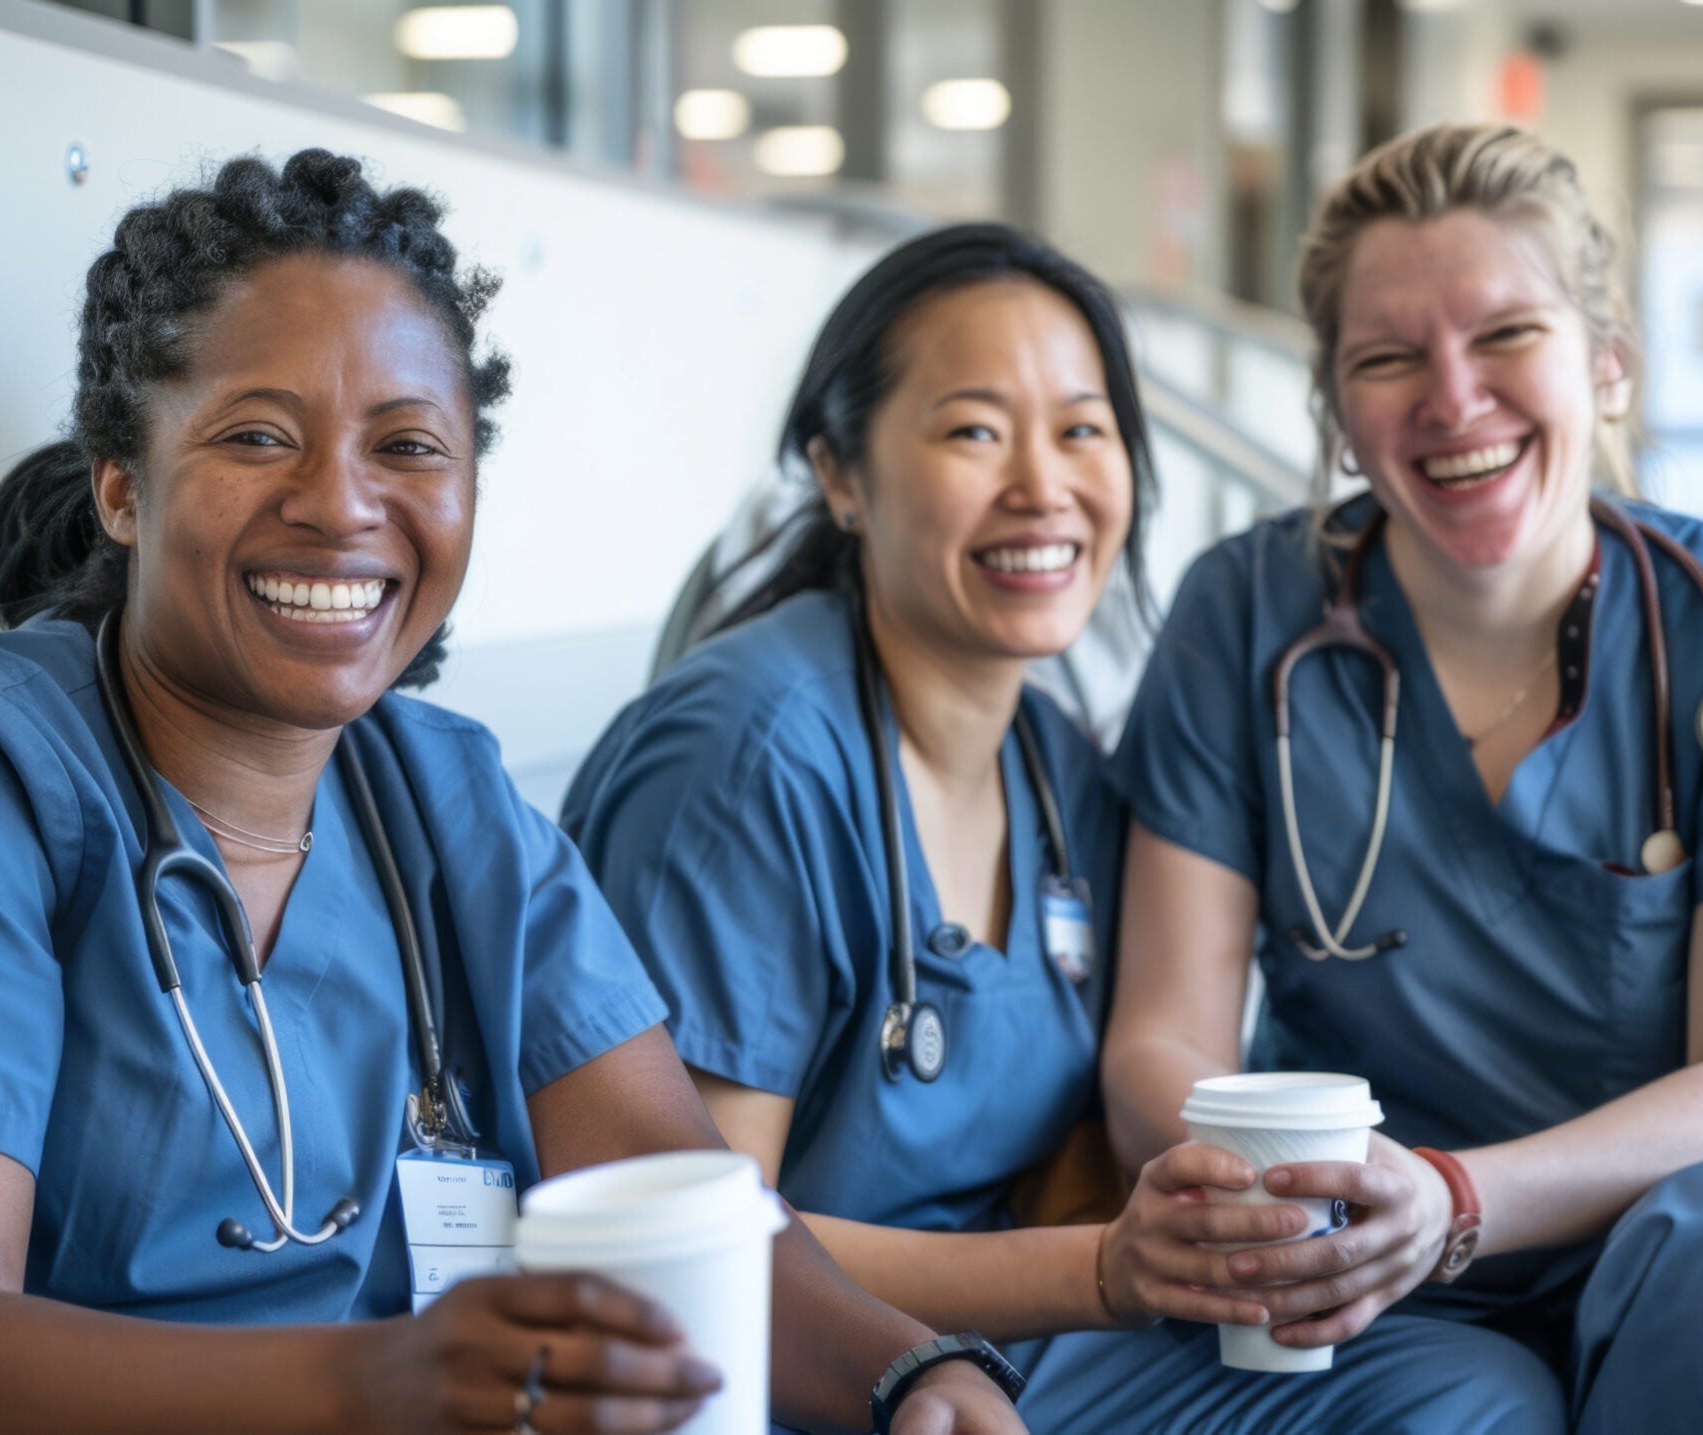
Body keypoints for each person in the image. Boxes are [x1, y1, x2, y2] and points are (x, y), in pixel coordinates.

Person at [0, 150, 1020, 1435]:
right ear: (122, 489)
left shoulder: (449, 799)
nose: (340, 504)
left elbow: (683, 1204)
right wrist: (385, 1384)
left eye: (409, 446)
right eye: (260, 436)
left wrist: (910, 1373)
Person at [562, 222, 1562, 1433]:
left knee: (1464, 1391)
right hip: (808, 1369)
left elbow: (1087, 1150)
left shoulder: (1060, 768)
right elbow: (691, 1242)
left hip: (1022, 1342)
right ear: (840, 473)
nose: (1043, 486)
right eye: (975, 430)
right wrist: (1097, 1272)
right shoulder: (746, 755)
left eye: (1083, 430)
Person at [1103, 122, 1703, 1433]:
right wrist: (1269, 1188)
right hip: (1379, 1254)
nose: (1452, 396)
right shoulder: (1245, 618)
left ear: (1606, 363)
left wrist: (1458, 1195)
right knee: (1447, 1405)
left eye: (1506, 335)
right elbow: (1161, 1035)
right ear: (1335, 414)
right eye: (1387, 358)